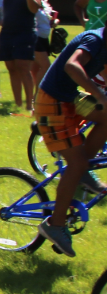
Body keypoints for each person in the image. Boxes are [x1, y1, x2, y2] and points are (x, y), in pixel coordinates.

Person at [32, 26, 107, 257]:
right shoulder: (95, 39)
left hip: (70, 98)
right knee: (76, 164)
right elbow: (72, 65)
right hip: (52, 101)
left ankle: (82, 170)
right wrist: (98, 95)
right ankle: (54, 225)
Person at [32, 0, 58, 92]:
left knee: (35, 68)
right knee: (46, 66)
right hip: (35, 37)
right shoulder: (31, 0)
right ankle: (38, 95)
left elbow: (48, 17)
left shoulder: (44, 2)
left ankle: (34, 94)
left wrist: (54, 22)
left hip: (44, 37)